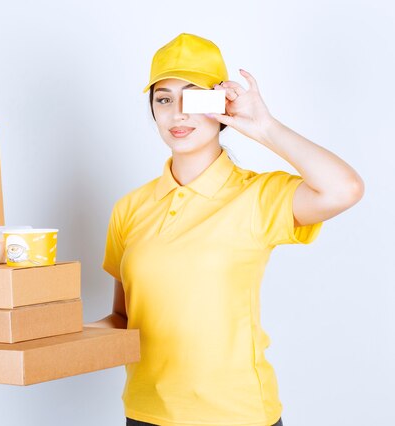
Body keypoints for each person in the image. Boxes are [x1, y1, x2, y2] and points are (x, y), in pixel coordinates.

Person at [87, 33, 364, 426]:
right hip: (145, 412)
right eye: (163, 99)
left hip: (236, 415)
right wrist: (60, 337)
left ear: (221, 105)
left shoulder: (257, 196)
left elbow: (344, 188)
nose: (177, 114)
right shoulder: (129, 208)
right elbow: (123, 318)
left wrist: (264, 126)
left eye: (193, 98)